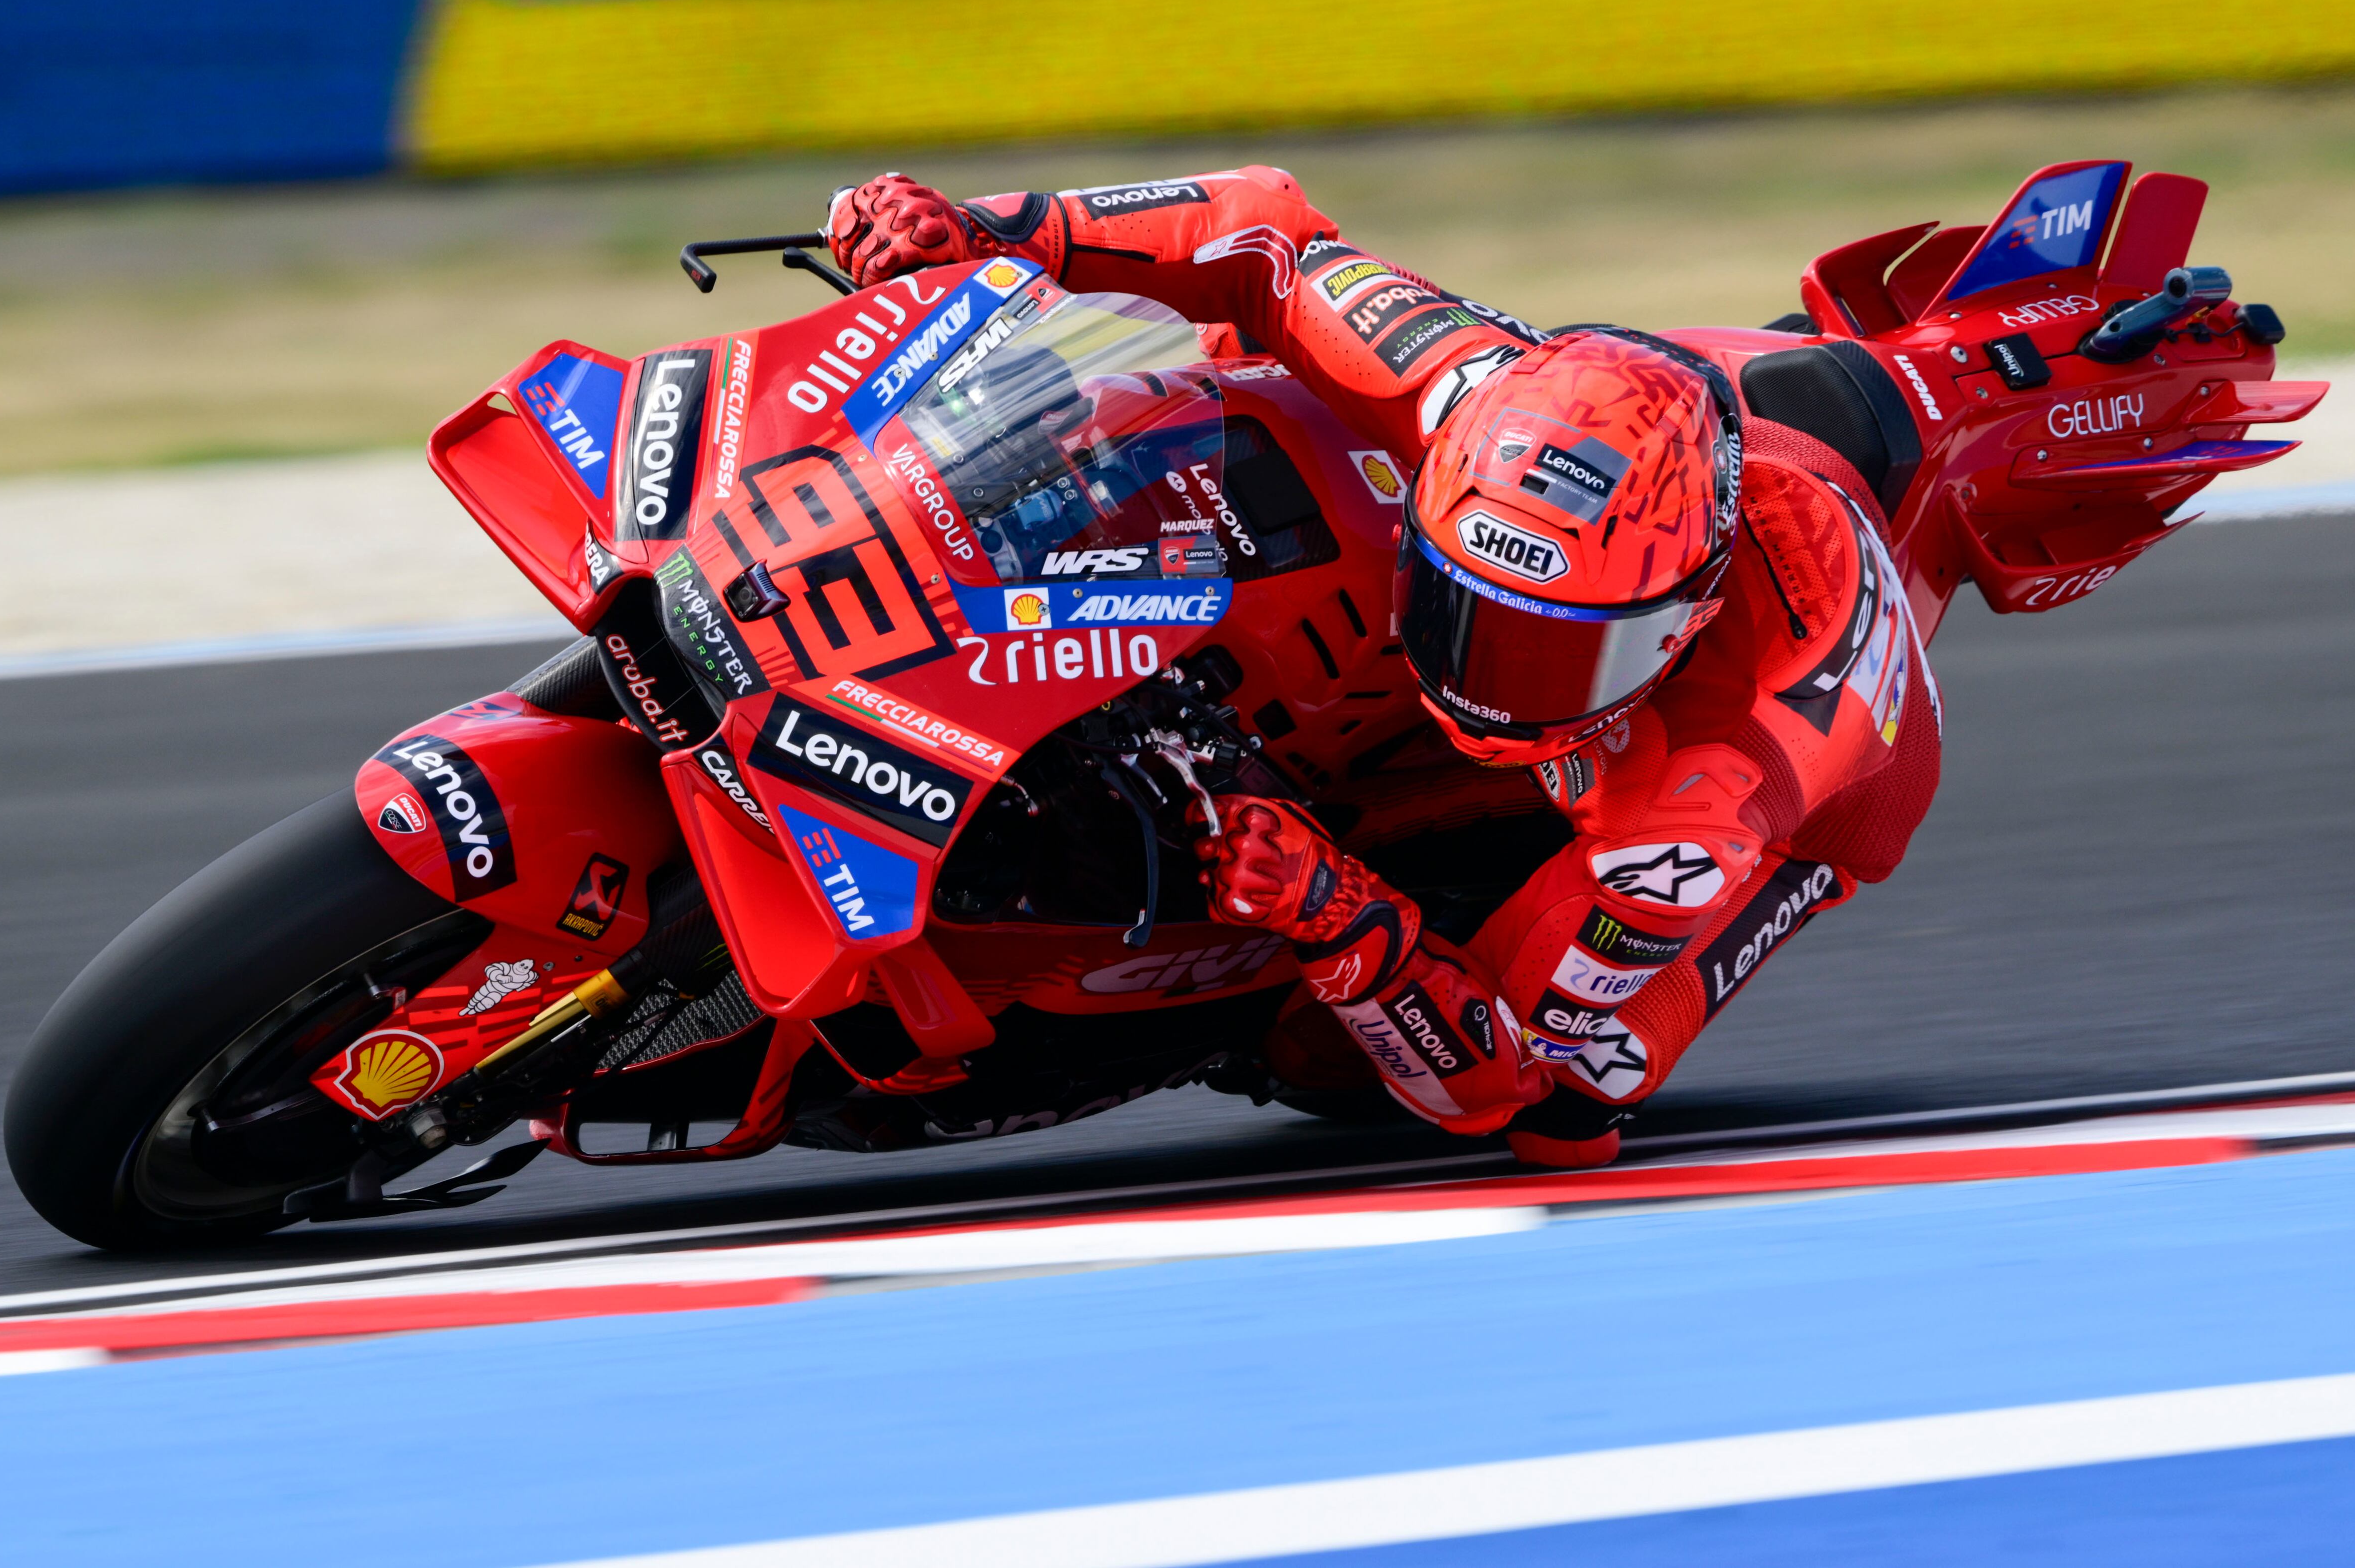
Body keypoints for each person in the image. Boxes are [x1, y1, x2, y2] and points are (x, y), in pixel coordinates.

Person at [826, 167, 1941, 1166]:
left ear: (1679, 622)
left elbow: (1510, 1078)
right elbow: (1268, 235)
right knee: (1246, 379)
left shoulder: (1711, 800)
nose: (1489, 675)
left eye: (1559, 649)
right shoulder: (1461, 386)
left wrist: (1340, 912)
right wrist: (993, 231)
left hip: (1789, 787)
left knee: (1556, 1091)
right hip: (1662, 447)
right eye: (1466, 609)